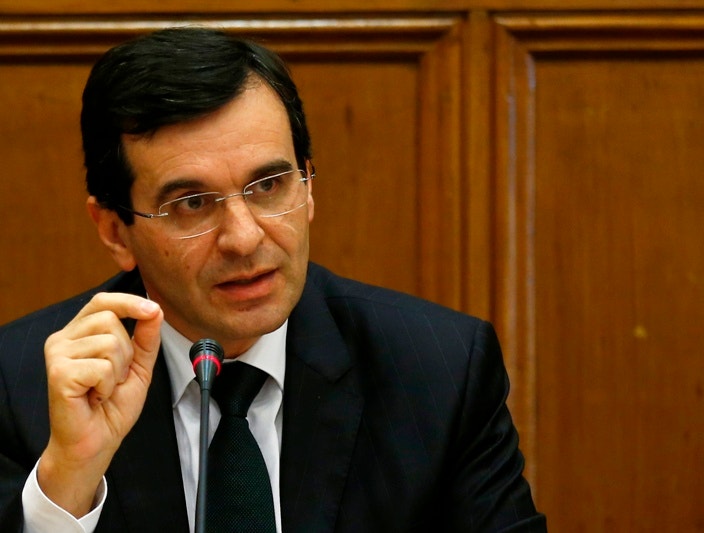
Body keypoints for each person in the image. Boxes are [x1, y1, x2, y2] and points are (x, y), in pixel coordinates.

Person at [0, 27, 546, 532]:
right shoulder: (20, 390)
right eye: (192, 203)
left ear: (308, 187)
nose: (244, 238)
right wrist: (66, 485)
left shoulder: (438, 371)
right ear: (115, 230)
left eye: (268, 186)